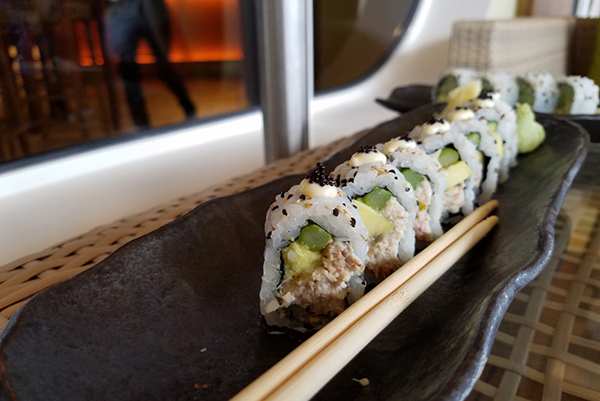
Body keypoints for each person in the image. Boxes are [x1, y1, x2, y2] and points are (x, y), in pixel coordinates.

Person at [106, 0, 196, 129]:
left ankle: (189, 108)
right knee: (128, 69)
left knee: (164, 67)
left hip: (152, 8)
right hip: (121, 12)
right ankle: (141, 124)